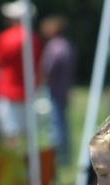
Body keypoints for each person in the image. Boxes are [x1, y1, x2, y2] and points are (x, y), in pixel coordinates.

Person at [0, 1, 42, 140]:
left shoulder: (6, 37)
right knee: (28, 135)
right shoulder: (34, 38)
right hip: (28, 91)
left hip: (7, 91)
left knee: (10, 134)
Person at [39, 16, 75, 167]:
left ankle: (58, 157)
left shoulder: (54, 46)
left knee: (56, 126)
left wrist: (42, 79)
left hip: (55, 90)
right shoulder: (67, 45)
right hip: (64, 90)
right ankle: (65, 157)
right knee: (63, 125)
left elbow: (48, 68)